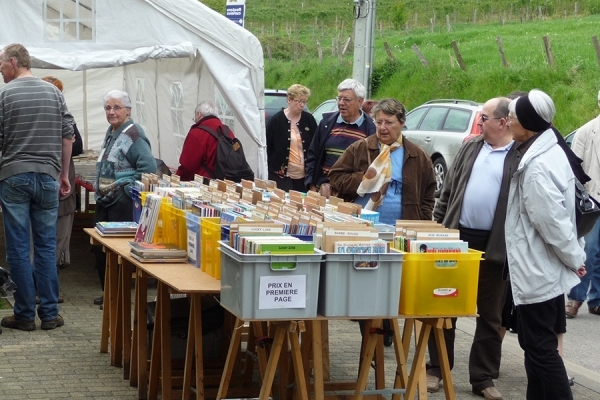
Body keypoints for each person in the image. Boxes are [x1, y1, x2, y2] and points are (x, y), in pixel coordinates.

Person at [425, 97, 517, 400]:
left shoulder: (518, 154)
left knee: (490, 314)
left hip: (495, 245)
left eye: (484, 118)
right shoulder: (471, 146)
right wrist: (438, 228)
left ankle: (483, 378)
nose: (479, 123)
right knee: (444, 305)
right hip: (458, 240)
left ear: (503, 122)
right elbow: (448, 189)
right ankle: (437, 369)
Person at [505, 89, 586, 400]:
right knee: (536, 346)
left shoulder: (536, 166)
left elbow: (554, 224)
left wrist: (575, 258)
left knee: (540, 349)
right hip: (543, 269)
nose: (507, 121)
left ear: (528, 122)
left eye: (512, 117)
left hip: (537, 269)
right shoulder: (548, 150)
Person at [0, 43, 73, 331]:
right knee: (45, 245)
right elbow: (68, 134)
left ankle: (25, 314)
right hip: (47, 178)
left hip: (14, 176)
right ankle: (51, 314)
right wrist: (63, 174)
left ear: (14, 62)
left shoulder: (5, 96)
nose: (0, 69)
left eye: (2, 64)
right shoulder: (54, 93)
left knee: (18, 248)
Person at [92, 90, 156, 306]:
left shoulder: (133, 133)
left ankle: (117, 297)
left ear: (128, 110)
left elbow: (149, 168)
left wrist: (125, 187)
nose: (111, 112)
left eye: (116, 107)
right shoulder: (113, 131)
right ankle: (109, 292)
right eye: (108, 108)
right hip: (106, 199)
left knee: (116, 251)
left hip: (121, 201)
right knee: (100, 249)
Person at [328, 97, 435, 224]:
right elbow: (335, 177)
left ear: (402, 123)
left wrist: (423, 222)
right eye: (378, 122)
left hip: (402, 232)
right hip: (361, 226)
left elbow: (428, 195)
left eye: (389, 123)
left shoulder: (418, 156)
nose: (382, 128)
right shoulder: (360, 148)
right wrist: (366, 179)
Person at [305, 79, 376, 193]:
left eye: (347, 99)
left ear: (360, 101)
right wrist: (311, 186)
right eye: (339, 98)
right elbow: (313, 155)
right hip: (322, 191)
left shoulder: (371, 129)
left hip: (351, 195)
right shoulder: (327, 123)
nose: (341, 103)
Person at [565, 90, 600, 318]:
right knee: (589, 250)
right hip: (593, 200)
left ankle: (596, 300)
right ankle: (575, 298)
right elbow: (573, 168)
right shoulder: (587, 131)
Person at [266, 84, 317, 191]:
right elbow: (267, 146)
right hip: (281, 176)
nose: (302, 105)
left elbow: (315, 145)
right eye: (299, 101)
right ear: (289, 100)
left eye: (304, 102)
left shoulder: (309, 119)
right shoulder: (277, 120)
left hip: (304, 177)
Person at [176, 100, 235, 181]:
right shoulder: (227, 131)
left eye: (195, 118)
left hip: (203, 183)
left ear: (199, 114)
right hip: (225, 183)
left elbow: (188, 166)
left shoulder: (197, 133)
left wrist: (177, 180)